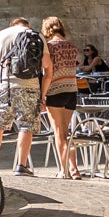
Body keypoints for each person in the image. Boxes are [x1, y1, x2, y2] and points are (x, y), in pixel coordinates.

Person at [0, 16, 44, 177]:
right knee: (26, 126)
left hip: (5, 85)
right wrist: (43, 93)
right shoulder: (35, 35)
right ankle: (21, 165)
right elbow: (46, 65)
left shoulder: (0, 35)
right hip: (30, 86)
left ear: (12, 24)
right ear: (28, 25)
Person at [39, 17, 81, 179]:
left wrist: (43, 95)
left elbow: (48, 74)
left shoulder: (49, 47)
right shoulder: (71, 46)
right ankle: (74, 168)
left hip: (55, 90)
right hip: (71, 90)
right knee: (67, 131)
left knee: (58, 132)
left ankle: (64, 170)